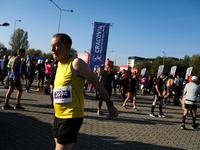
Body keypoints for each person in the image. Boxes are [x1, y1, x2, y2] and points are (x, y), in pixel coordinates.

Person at [51, 33, 118, 150]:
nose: (52, 49)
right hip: (58, 115)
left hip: (71, 117)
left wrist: (109, 104)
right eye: (51, 46)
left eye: (56, 46)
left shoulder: (76, 63)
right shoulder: (59, 65)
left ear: (67, 47)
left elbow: (97, 84)